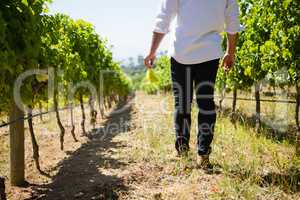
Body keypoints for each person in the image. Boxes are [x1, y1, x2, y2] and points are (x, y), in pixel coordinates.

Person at [144, 0, 242, 169]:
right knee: (205, 103)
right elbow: (233, 21)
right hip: (209, 53)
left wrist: (152, 51)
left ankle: (182, 150)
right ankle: (203, 154)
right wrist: (230, 52)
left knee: (182, 104)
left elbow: (164, 17)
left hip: (181, 53)